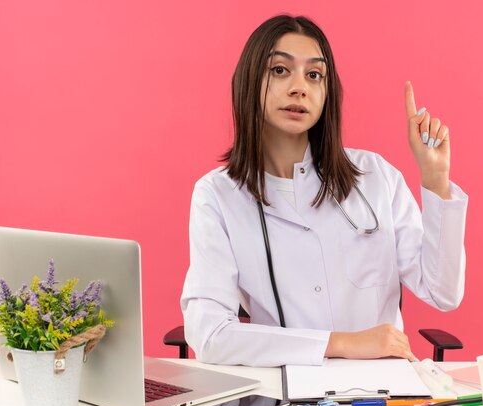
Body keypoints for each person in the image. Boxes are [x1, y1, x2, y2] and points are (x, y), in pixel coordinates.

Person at [180, 15, 468, 367]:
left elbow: (442, 292)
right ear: (249, 81)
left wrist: (435, 180)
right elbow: (210, 335)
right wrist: (341, 343)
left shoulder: (376, 177)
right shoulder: (218, 195)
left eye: (314, 74)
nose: (299, 87)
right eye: (280, 70)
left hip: (383, 391)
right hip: (284, 390)